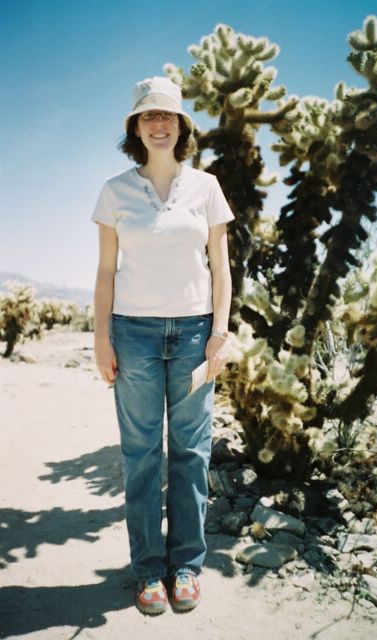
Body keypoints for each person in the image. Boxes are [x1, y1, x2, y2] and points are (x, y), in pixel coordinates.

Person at [91, 76, 234, 615]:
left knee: (193, 453)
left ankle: (188, 566)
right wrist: (101, 338)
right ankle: (150, 570)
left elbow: (220, 267)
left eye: (167, 116)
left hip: (197, 334)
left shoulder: (207, 188)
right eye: (148, 116)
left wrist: (219, 333)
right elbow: (106, 271)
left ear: (181, 126)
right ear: (135, 126)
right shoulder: (114, 191)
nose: (158, 124)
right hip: (134, 333)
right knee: (142, 457)